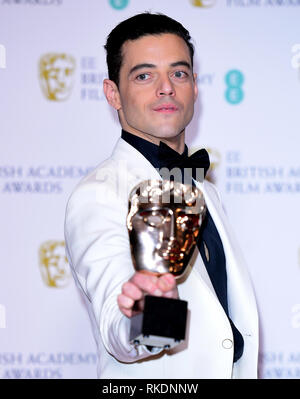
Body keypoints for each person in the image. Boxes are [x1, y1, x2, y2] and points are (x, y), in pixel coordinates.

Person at [64, 12, 259, 379]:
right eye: (144, 75)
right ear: (113, 93)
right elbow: (116, 323)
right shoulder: (99, 194)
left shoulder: (206, 192)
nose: (166, 87)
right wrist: (145, 312)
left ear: (195, 86)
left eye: (178, 73)